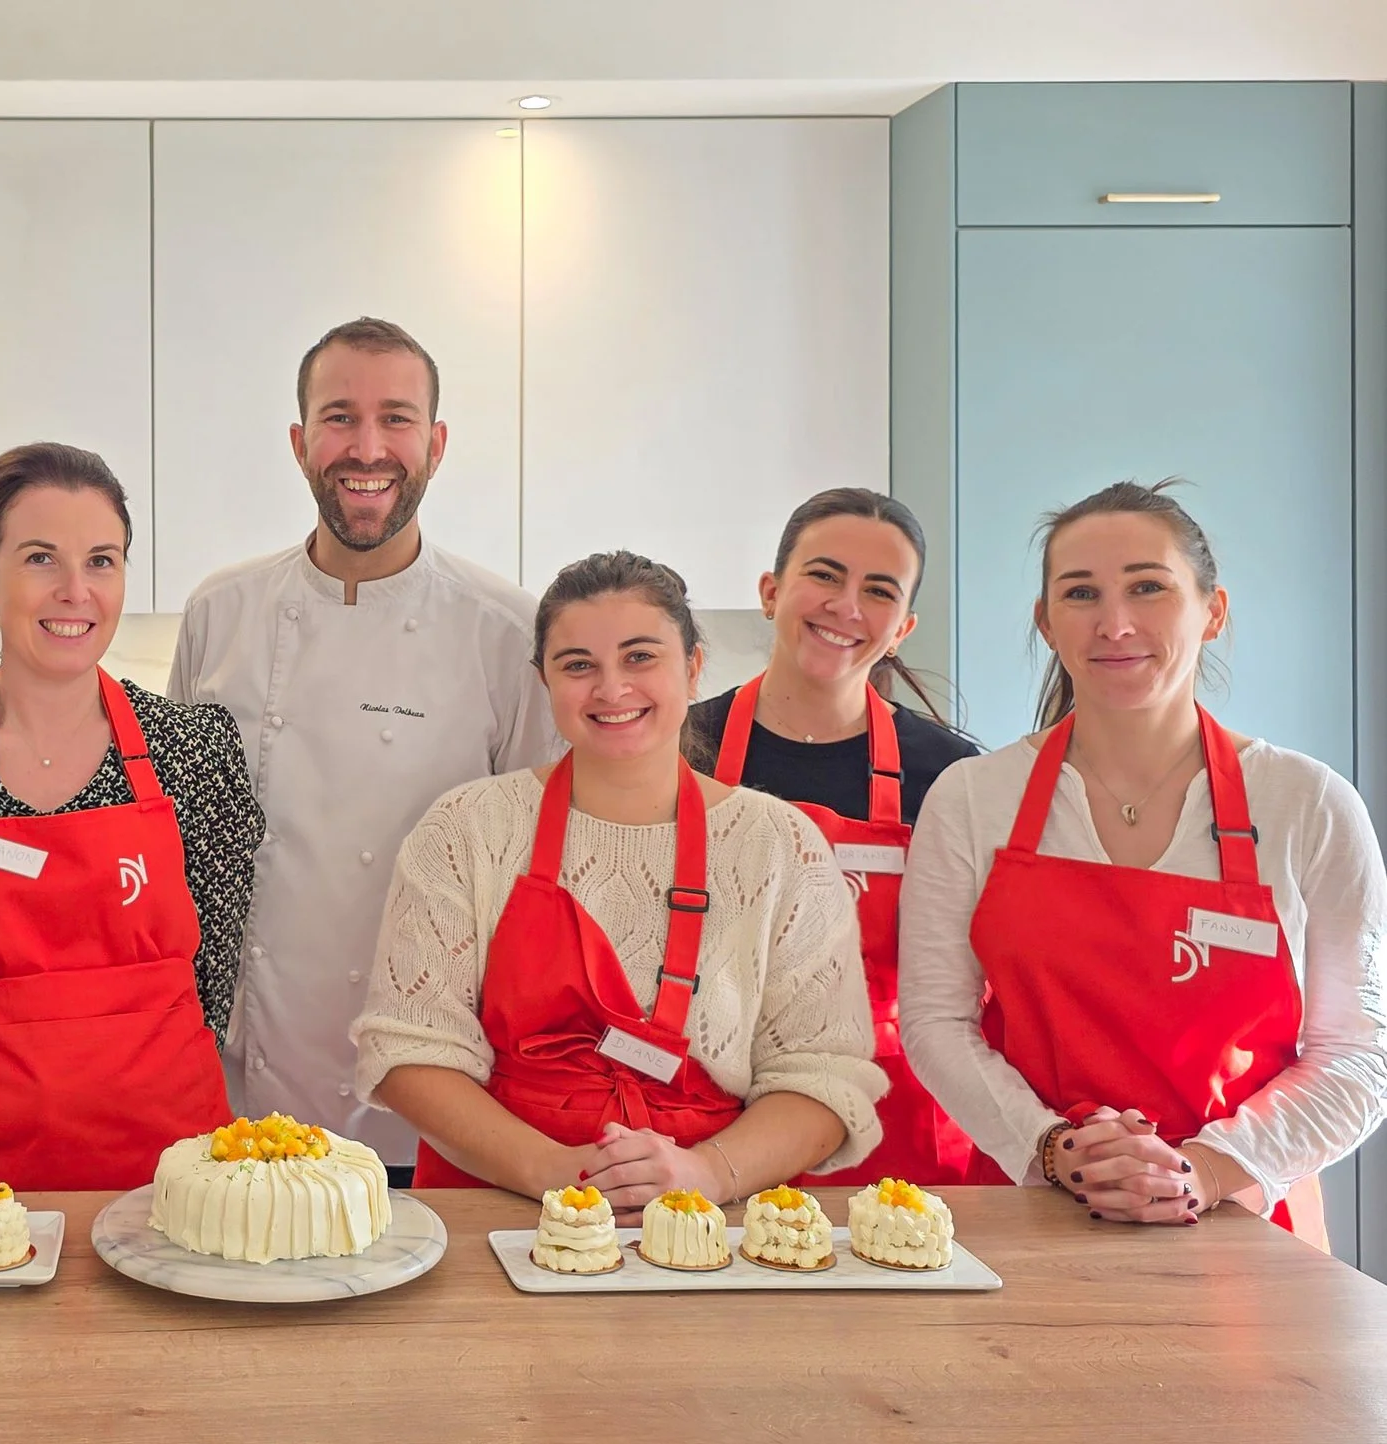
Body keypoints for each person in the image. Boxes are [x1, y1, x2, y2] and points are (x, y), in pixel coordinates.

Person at [900, 480, 1387, 1242]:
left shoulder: (1308, 805)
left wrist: (1205, 1168)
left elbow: (1358, 1055)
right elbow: (934, 1020)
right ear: (1047, 622)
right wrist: (1056, 1148)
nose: (1115, 622)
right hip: (1034, 1214)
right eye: (1082, 593)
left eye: (1148, 588)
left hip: (1245, 1232)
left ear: (1212, 612)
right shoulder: (972, 799)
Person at [355, 551, 885, 1205]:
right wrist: (556, 1173)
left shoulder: (780, 847)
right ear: (544, 681)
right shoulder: (467, 830)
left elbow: (824, 1076)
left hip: (719, 1218)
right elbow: (409, 1047)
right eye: (578, 666)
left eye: (640, 657)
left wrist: (707, 1174)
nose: (611, 690)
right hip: (495, 1202)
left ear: (692, 669)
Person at [170, 317, 556, 1175]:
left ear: (437, 442)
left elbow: (541, 875)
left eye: (397, 419)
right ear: (302, 441)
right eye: (340, 418)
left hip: (434, 1100)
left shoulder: (508, 633)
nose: (367, 447)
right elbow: (182, 850)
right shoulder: (219, 615)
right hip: (239, 1098)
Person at [0, 443, 263, 1191]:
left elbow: (210, 983)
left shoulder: (193, 752)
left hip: (173, 1188)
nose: (76, 591)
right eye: (41, 559)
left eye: (101, 561)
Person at [684, 488, 992, 1185]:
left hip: (894, 1135)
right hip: (707, 1121)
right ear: (771, 591)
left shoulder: (951, 776)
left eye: (878, 590)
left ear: (903, 627)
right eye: (824, 575)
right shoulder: (680, 751)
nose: (847, 607)